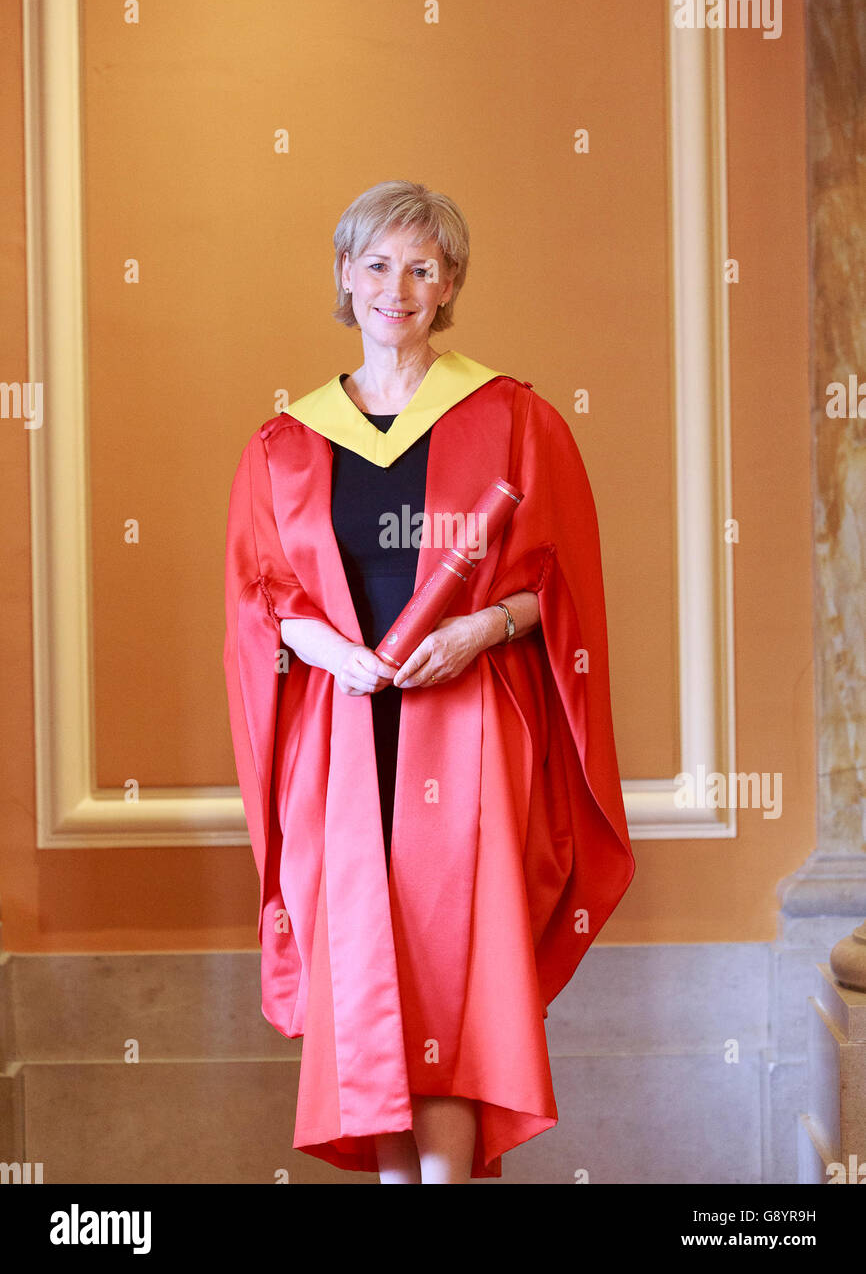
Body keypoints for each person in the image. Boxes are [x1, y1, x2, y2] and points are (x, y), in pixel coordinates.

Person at [223, 179, 635, 1184]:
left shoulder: (512, 420)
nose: (395, 286)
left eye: (421, 267)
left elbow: (564, 587)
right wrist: (332, 653)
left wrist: (479, 630)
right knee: (368, 967)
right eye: (375, 264)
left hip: (463, 733)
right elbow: (262, 600)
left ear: (447, 285)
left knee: (446, 968)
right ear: (343, 277)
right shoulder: (286, 445)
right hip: (342, 736)